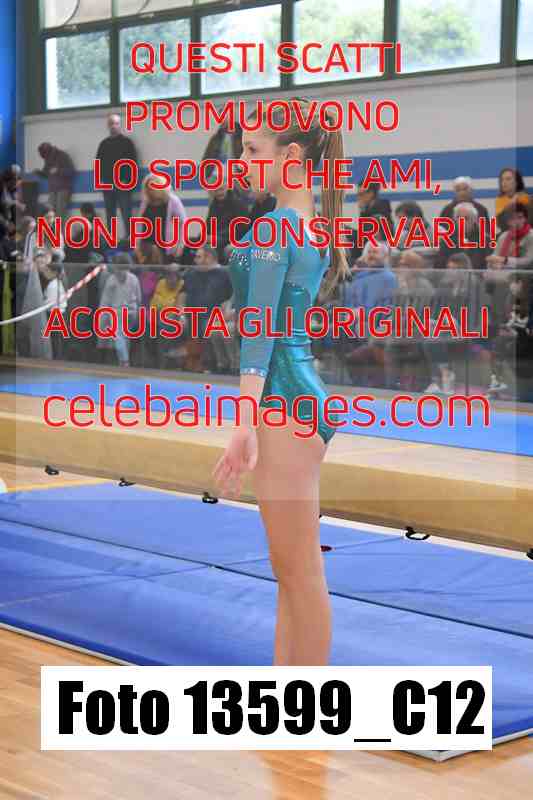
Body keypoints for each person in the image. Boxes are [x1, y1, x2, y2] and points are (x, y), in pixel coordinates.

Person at [212, 96, 350, 667]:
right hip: (296, 394)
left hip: (283, 400)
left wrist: (243, 423)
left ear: (290, 156)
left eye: (252, 150)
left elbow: (261, 331)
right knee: (290, 571)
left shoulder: (276, 226)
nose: (241, 161)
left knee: (301, 571)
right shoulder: (306, 223)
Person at [96, 113, 139, 235]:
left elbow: (133, 163)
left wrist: (129, 180)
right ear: (107, 125)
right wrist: (100, 181)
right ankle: (111, 238)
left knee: (126, 212)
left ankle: (129, 239)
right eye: (111, 123)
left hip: (123, 183)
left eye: (116, 123)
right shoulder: (103, 144)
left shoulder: (127, 142)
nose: (113, 126)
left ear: (120, 125)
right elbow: (98, 163)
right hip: (107, 183)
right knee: (110, 214)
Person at [137, 174, 187, 261]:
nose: (150, 190)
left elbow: (182, 223)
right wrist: (136, 242)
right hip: (146, 245)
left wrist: (180, 244)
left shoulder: (173, 201)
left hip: (165, 245)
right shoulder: (146, 202)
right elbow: (139, 223)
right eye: (148, 188)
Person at [36, 142, 74, 225]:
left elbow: (71, 171)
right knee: (49, 213)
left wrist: (58, 171)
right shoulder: (48, 158)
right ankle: (52, 231)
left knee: (60, 214)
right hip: (52, 190)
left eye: (45, 156)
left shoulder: (63, 156)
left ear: (48, 151)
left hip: (63, 189)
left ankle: (60, 232)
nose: (45, 158)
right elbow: (47, 173)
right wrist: (39, 173)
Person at [487, 203, 533, 270]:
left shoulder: (531, 236)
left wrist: (505, 260)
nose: (517, 221)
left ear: (525, 219)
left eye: (520, 217)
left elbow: (529, 261)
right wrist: (492, 261)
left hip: (526, 274)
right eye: (513, 218)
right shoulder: (503, 236)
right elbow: (495, 255)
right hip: (503, 273)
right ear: (508, 221)